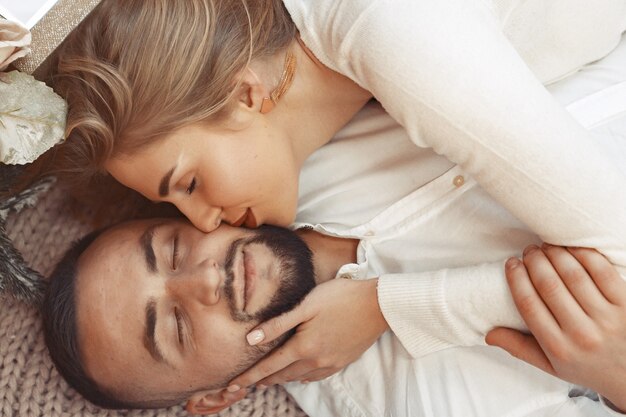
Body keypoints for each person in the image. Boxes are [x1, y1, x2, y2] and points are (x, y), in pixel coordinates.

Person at [36, 0, 626, 407]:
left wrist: (388, 306)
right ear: (213, 399)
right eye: (179, 327)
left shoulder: (386, 37)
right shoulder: (335, 113)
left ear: (245, 92)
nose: (204, 228)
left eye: (186, 191)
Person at [42, 217, 626, 416]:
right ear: (220, 397)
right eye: (176, 327)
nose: (203, 279)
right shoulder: (415, 407)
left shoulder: (315, 149)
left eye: (171, 250)